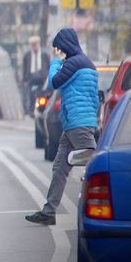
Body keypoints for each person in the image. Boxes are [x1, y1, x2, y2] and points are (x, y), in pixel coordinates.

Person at [25, 28, 99, 225]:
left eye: (59, 48)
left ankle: (115, 204)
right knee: (59, 167)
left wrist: (55, 61)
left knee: (97, 166)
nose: (59, 51)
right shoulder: (89, 64)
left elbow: (53, 82)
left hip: (78, 123)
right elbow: (94, 98)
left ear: (65, 45)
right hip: (79, 123)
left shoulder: (72, 64)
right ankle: (49, 212)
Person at [21, 35, 50, 115]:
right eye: (32, 45)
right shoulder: (27, 55)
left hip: (43, 78)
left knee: (43, 94)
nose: (34, 47)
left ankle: (42, 109)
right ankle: (31, 111)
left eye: (35, 44)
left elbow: (49, 66)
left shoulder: (45, 54)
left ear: (39, 44)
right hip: (31, 78)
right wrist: (24, 79)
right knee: (31, 96)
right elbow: (24, 67)